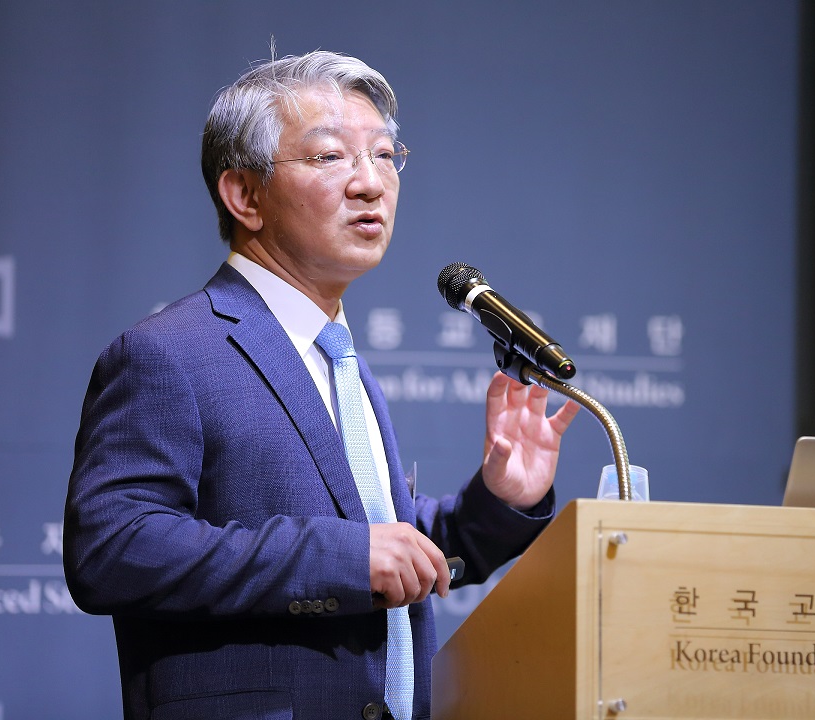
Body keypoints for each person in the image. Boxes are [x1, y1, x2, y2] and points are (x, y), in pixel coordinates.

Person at [63, 50, 579, 720]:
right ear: (245, 196)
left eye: (385, 155)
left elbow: (392, 549)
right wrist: (344, 557)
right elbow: (112, 549)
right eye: (331, 156)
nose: (370, 183)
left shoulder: (339, 359)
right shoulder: (168, 354)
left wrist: (500, 501)